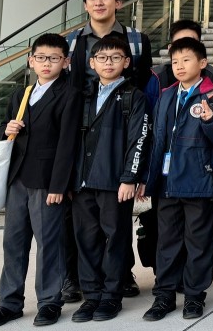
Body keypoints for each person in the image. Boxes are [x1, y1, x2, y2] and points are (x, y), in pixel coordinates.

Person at [0, 34, 83, 329]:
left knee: (49, 244)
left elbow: (68, 144)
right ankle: (9, 303)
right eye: (41, 57)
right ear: (30, 60)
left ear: (66, 62)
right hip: (18, 179)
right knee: (13, 243)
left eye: (54, 58)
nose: (46, 63)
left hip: (47, 181)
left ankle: (49, 302)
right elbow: (5, 128)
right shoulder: (21, 94)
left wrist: (59, 186)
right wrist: (6, 127)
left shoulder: (69, 94)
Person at [64, 0, 152, 302]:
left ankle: (121, 276)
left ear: (119, 3)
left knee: (116, 221)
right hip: (83, 126)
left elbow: (144, 82)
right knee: (81, 221)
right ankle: (76, 279)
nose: (99, 2)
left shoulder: (136, 40)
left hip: (121, 122)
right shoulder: (73, 41)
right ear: (85, 5)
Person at [137, 37, 213, 321]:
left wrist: (211, 120)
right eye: (175, 61)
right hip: (167, 183)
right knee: (166, 242)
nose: (179, 66)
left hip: (199, 181)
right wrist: (150, 178)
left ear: (202, 63)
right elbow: (158, 141)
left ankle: (194, 296)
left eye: (186, 60)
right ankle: (164, 295)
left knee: (199, 242)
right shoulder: (167, 95)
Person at [70, 37, 150, 323]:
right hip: (82, 183)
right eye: (102, 58)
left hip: (114, 183)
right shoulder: (83, 95)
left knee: (115, 240)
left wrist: (130, 178)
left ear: (126, 62)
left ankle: (111, 296)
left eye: (115, 57)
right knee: (86, 241)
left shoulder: (133, 96)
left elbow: (139, 139)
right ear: (92, 63)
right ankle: (91, 296)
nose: (108, 63)